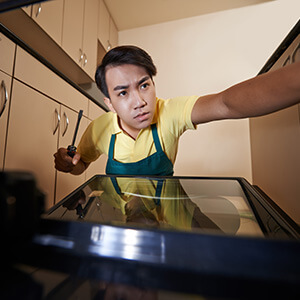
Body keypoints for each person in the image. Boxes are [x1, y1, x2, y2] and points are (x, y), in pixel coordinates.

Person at [54, 45, 300, 177]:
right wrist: (68, 163)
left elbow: (225, 102)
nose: (139, 101)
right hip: (119, 222)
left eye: (144, 85)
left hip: (167, 218)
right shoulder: (99, 129)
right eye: (122, 93)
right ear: (109, 102)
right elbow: (81, 164)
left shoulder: (169, 112)